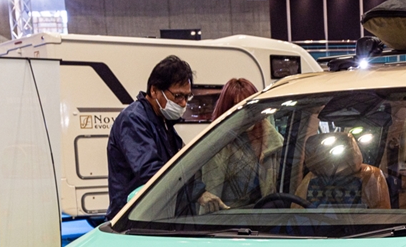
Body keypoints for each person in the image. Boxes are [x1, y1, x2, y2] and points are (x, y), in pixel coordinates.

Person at [105, 55, 193, 218]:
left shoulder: (163, 121)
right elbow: (150, 171)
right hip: (133, 218)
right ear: (154, 91)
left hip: (155, 214)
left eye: (187, 97)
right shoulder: (133, 119)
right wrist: (197, 191)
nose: (183, 103)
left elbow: (181, 162)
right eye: (177, 96)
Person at [193, 78, 285, 212]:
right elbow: (206, 188)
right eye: (238, 107)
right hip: (227, 218)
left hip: (267, 217)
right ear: (227, 110)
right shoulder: (215, 144)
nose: (246, 113)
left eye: (250, 106)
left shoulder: (275, 142)